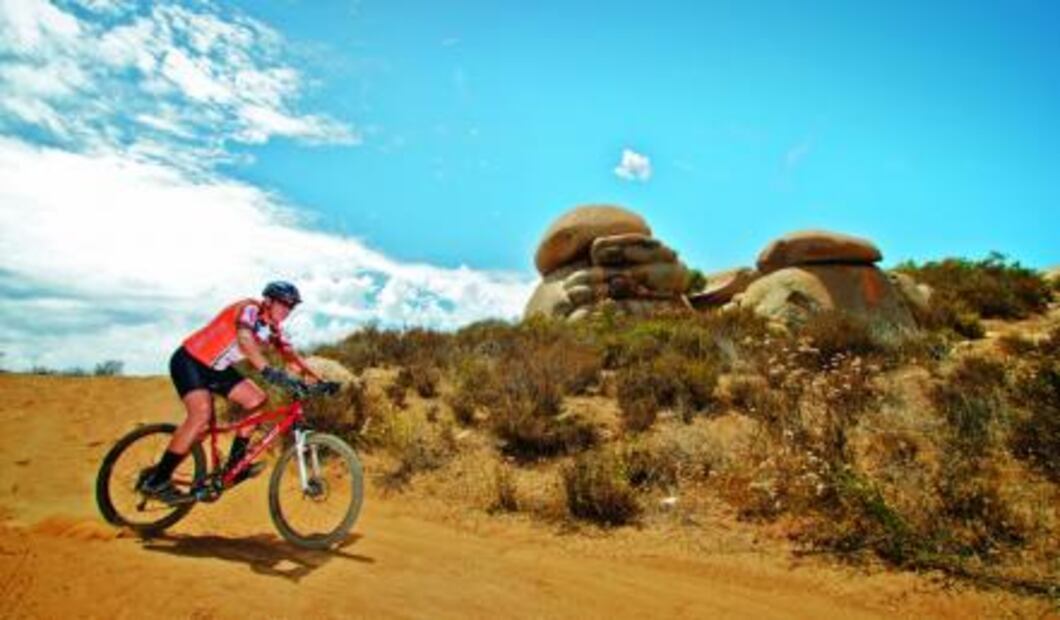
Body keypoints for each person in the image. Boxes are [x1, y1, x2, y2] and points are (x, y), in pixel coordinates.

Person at [138, 281, 322, 504]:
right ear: (269, 301)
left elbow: (290, 355)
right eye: (283, 303)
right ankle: (157, 481)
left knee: (257, 400)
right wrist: (266, 369)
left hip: (217, 369)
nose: (287, 310)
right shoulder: (250, 309)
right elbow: (245, 339)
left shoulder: (272, 329)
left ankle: (235, 465)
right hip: (190, 361)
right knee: (200, 416)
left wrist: (319, 379)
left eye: (291, 306)